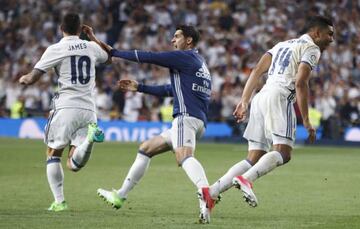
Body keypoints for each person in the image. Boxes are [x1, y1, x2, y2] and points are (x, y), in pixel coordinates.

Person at [83, 24, 215, 223]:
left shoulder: (185, 57)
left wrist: (115, 52)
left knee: (183, 156)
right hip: (197, 121)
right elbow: (172, 89)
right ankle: (121, 195)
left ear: (188, 40)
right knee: (146, 148)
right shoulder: (199, 62)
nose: (173, 40)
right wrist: (141, 87)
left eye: (177, 36)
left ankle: (207, 194)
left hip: (186, 118)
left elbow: (150, 56)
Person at [207, 15, 334, 207]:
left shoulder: (281, 45)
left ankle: (212, 191)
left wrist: (245, 101)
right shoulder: (312, 48)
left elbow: (257, 70)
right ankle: (246, 180)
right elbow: (301, 82)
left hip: (260, 97)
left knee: (254, 157)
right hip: (280, 97)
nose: (331, 39)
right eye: (329, 34)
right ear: (317, 33)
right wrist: (306, 120)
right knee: (284, 153)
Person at [19, 13, 109, 211]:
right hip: (88, 108)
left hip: (66, 107)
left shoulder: (56, 48)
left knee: (53, 154)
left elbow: (32, 78)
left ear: (61, 29)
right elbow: (109, 58)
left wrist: (23, 78)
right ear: (80, 29)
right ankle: (88, 140)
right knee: (73, 164)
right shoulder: (91, 47)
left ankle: (59, 202)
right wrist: (92, 37)